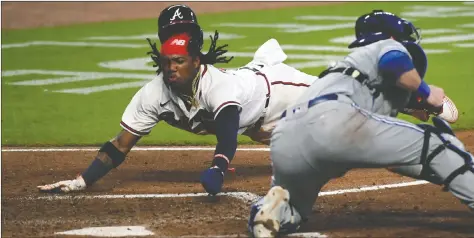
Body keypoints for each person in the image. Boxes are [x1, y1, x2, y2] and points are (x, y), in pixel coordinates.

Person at [36, 4, 320, 195]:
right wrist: (82, 181)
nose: (172, 65)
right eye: (171, 40)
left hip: (281, 91)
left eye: (184, 40)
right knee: (322, 148)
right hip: (260, 128)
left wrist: (218, 168)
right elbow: (119, 145)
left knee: (346, 102)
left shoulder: (217, 84)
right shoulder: (154, 94)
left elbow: (228, 130)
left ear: (195, 57)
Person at [248, 10, 473, 237]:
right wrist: (427, 92)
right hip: (334, 122)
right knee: (437, 143)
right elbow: (395, 64)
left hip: (285, 138)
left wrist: (442, 168)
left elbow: (395, 160)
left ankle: (270, 211)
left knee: (294, 209)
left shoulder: (343, 75)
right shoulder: (386, 46)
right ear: (392, 36)